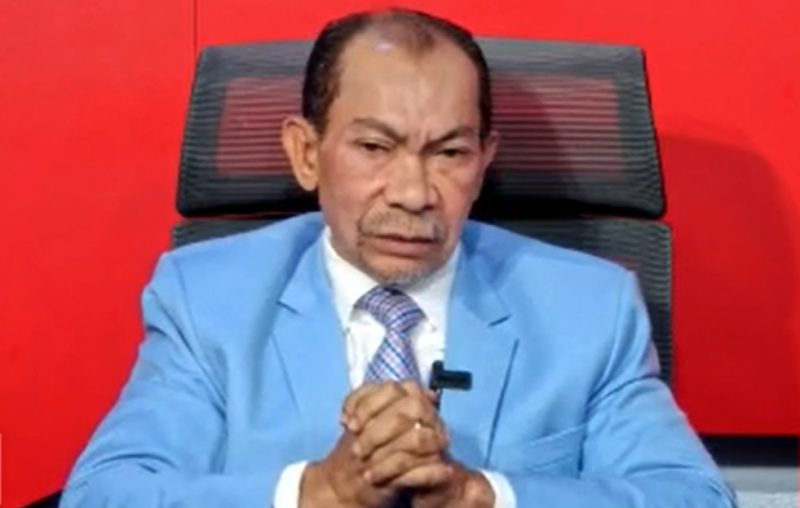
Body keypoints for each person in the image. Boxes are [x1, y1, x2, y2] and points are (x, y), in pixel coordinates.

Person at [60, 8, 735, 508]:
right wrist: (318, 493)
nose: (414, 194)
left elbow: (693, 498)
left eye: (450, 153)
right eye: (374, 148)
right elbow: (104, 495)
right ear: (305, 153)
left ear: (485, 160)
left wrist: (484, 496)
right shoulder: (207, 299)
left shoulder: (591, 310)